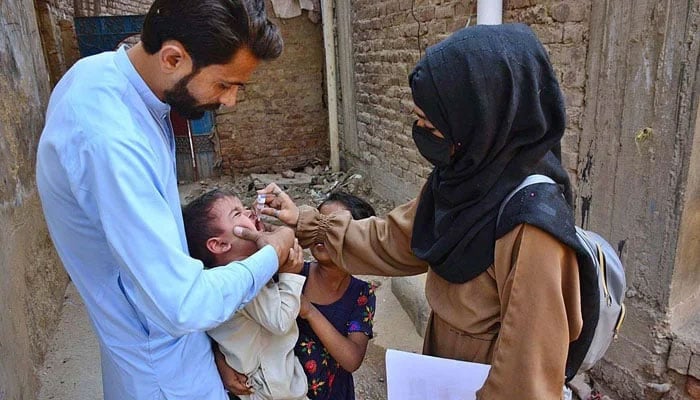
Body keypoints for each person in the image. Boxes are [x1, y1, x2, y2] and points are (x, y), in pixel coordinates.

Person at [247, 24, 584, 399]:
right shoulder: (462, 181)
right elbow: (393, 238)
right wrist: (309, 223)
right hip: (445, 364)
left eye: (431, 125)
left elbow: (526, 375)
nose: (421, 132)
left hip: (486, 376)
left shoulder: (532, 225)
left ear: (481, 118)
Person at [35, 0, 294, 398]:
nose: (230, 101)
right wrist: (271, 255)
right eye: (225, 84)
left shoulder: (106, 76)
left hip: (162, 345)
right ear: (173, 57)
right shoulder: (110, 139)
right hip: (163, 371)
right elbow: (182, 304)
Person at [182, 189, 309, 400]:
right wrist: (290, 275)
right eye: (237, 213)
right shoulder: (241, 282)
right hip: (270, 390)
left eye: (245, 208)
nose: (250, 213)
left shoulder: (219, 278)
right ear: (220, 245)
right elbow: (280, 320)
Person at [294, 192, 377, 400]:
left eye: (334, 230)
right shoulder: (292, 276)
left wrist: (309, 311)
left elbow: (351, 359)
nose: (321, 235)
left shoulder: (362, 294)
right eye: (318, 225)